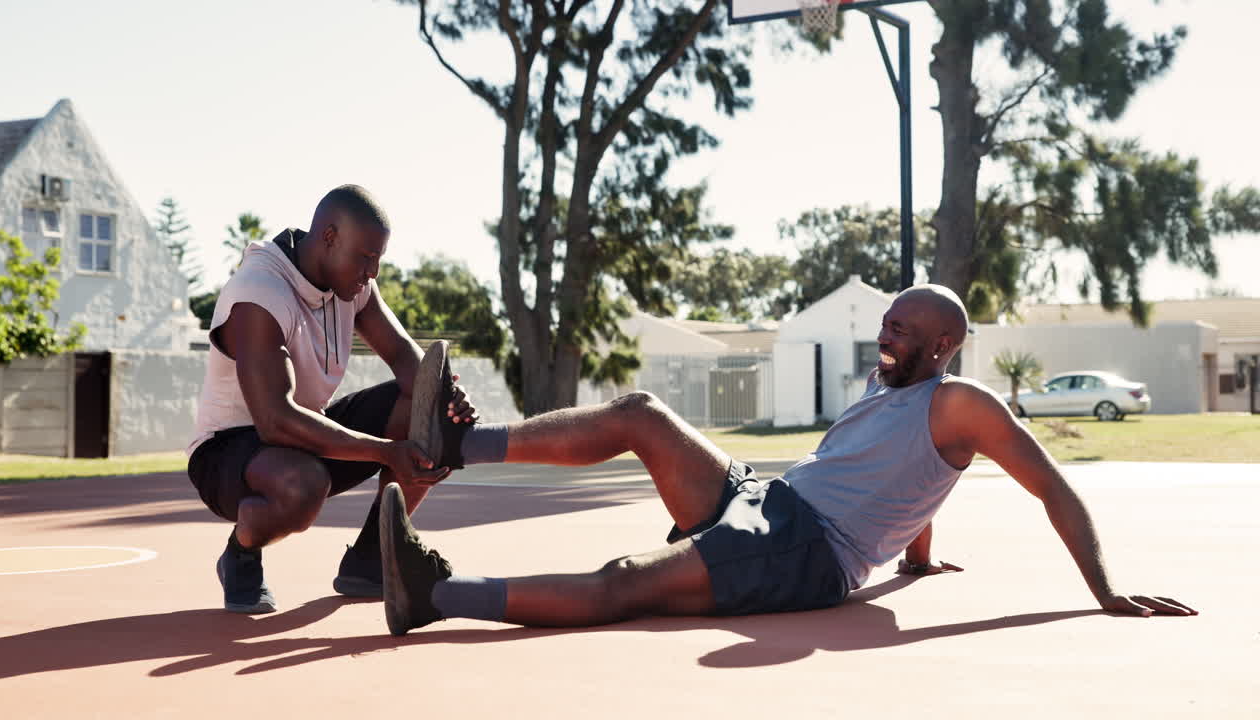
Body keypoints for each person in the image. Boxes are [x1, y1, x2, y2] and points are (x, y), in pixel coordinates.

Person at [377, 284, 1197, 635]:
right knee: (640, 414)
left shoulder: (964, 403)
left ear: (944, 346)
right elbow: (911, 474)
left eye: (904, 329)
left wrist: (1105, 590)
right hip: (768, 502)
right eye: (887, 321)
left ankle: (434, 595)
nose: (888, 333)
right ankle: (456, 444)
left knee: (627, 577)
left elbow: (1050, 487)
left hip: (803, 552)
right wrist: (919, 553)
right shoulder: (889, 387)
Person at [185, 184, 491, 614]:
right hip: (228, 451)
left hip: (303, 435)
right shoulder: (258, 293)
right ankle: (241, 552)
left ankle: (371, 558)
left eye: (379, 259)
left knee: (424, 411)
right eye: (366, 258)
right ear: (329, 237)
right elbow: (274, 420)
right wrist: (387, 452)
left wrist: (445, 399)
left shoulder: (353, 286)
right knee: (305, 485)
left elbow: (406, 357)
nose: (373, 272)